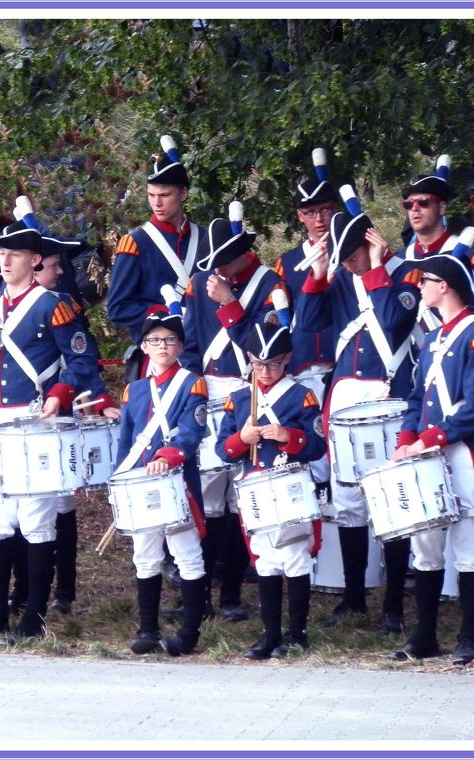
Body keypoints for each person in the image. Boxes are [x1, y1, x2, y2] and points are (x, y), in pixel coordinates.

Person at [0, 219, 98, 639]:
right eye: (1, 254)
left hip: (40, 418)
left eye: (15, 255)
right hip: (1, 420)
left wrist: (59, 394)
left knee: (37, 518)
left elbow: (81, 360)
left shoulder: (53, 304)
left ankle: (34, 616)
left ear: (34, 259)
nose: (5, 261)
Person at [293, 202, 420, 634]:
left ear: (372, 243)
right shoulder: (341, 278)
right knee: (349, 503)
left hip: (390, 395)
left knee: (394, 501)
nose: (348, 264)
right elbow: (306, 324)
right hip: (347, 398)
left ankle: (393, 607)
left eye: (354, 255)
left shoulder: (403, 275)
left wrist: (377, 268)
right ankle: (353, 598)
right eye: (343, 258)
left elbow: (396, 319)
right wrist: (319, 273)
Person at [389, 253, 474, 665]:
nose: (418, 287)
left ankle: (470, 637)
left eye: (426, 281)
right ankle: (424, 636)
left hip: (462, 452)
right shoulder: (432, 338)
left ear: (445, 286)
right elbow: (418, 397)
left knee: (468, 542)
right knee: (426, 544)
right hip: (425, 451)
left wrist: (430, 440)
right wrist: (406, 437)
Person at [182, 212, 285, 623]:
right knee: (208, 496)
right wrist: (192, 389)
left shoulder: (270, 288)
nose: (216, 268)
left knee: (240, 495)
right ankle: (201, 592)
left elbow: (265, 344)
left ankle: (230, 594)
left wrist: (228, 303)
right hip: (209, 390)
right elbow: (190, 343)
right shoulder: (197, 285)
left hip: (250, 392)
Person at [216, 324, 326, 658]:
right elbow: (223, 449)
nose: (265, 372)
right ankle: (270, 634)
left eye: (274, 364)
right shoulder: (237, 398)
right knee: (264, 557)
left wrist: (288, 436)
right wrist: (242, 440)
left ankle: (297, 634)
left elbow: (318, 444)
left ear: (287, 360)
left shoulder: (301, 395)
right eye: (259, 364)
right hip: (253, 486)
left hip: (289, 483)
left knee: (293, 554)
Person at [32, 234, 120, 616]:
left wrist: (100, 403)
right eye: (54, 265)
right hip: (20, 414)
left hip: (61, 409)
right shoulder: (4, 304)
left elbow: (83, 361)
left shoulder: (63, 305)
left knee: (62, 501)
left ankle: (64, 587)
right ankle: (26, 587)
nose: (60, 271)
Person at [115, 306, 209, 656]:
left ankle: (189, 633)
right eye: (154, 341)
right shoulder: (134, 391)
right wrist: (120, 479)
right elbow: (126, 441)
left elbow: (192, 429)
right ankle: (148, 629)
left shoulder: (192, 383)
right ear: (144, 347)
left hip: (176, 479)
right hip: (140, 481)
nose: (162, 347)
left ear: (179, 345)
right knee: (146, 554)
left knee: (187, 555)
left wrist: (169, 455)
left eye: (169, 340)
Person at [107, 136, 203, 361]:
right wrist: (163, 313)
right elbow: (118, 308)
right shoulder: (135, 242)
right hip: (158, 354)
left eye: (164, 195)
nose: (156, 203)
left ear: (183, 194)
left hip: (202, 348)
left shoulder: (205, 239)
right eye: (151, 195)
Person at [272, 172, 338, 491]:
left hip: (342, 367)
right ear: (300, 216)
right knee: (313, 456)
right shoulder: (287, 262)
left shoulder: (351, 252)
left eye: (324, 209)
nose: (319, 218)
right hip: (302, 365)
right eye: (310, 212)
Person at [398, 159, 474, 340]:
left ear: (442, 207)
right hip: (410, 362)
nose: (414, 209)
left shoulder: (471, 255)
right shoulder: (401, 259)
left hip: (454, 357)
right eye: (408, 204)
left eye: (423, 202)